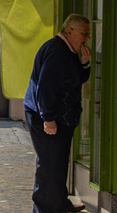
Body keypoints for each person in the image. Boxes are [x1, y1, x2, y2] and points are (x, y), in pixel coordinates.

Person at [23, 13, 92, 213]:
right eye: (84, 33)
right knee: (50, 162)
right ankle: (45, 208)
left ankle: (60, 204)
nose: (87, 37)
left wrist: (84, 62)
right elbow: (45, 87)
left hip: (59, 116)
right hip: (50, 116)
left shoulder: (67, 50)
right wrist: (48, 118)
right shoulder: (57, 51)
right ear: (69, 32)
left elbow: (75, 80)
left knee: (58, 161)